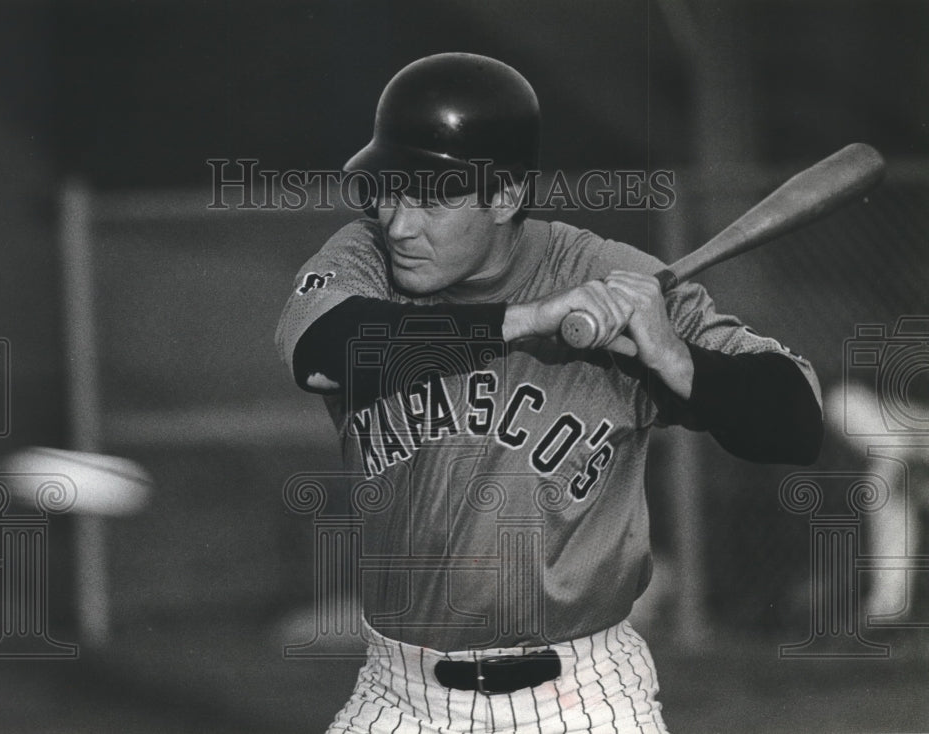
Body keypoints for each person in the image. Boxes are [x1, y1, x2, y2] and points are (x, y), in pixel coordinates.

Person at [276, 52, 822, 734]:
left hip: (581, 699)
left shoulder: (617, 279)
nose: (398, 224)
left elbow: (798, 421)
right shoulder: (362, 263)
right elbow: (322, 353)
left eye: (432, 197)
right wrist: (527, 319)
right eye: (387, 190)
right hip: (399, 695)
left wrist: (676, 362)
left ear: (505, 196)